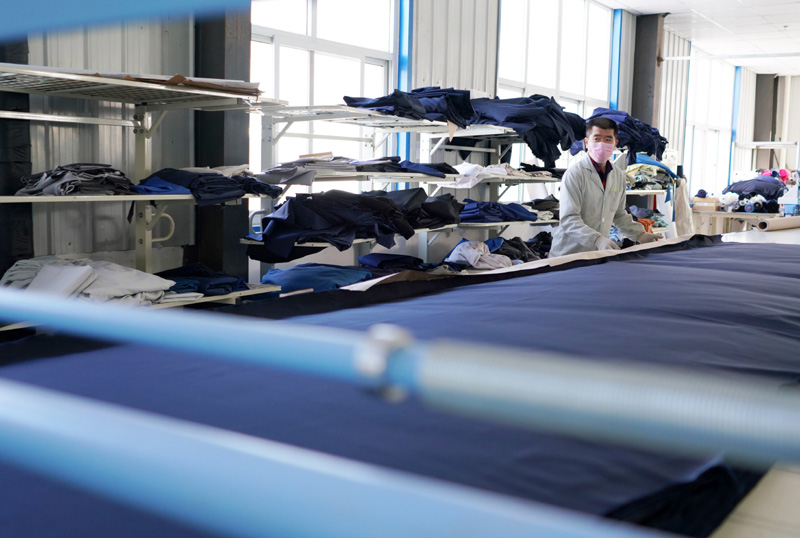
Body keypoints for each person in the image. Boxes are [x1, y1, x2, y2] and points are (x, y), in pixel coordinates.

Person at [550, 117, 661, 258]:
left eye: (608, 139)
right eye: (597, 139)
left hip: (598, 254)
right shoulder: (575, 174)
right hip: (569, 254)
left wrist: (640, 234)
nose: (602, 144)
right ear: (587, 142)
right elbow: (569, 219)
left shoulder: (618, 175)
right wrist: (597, 239)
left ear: (615, 143)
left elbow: (619, 214)